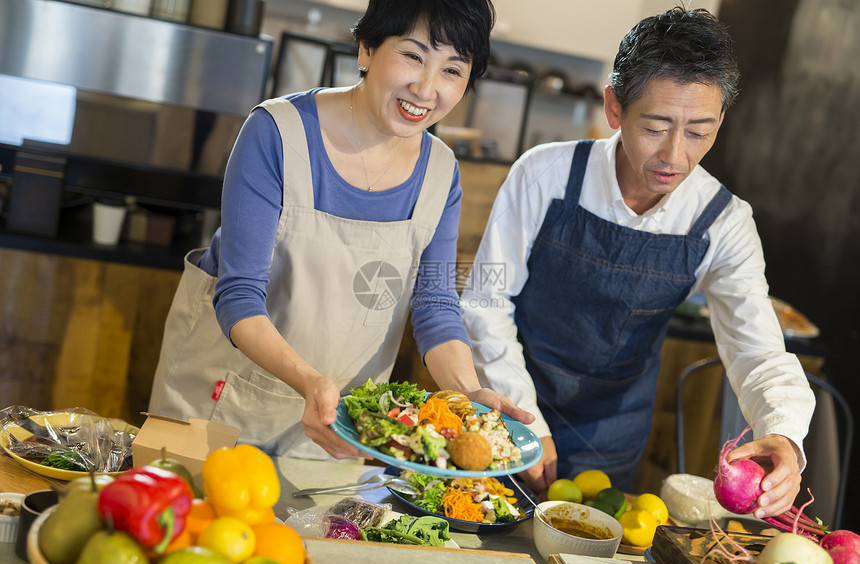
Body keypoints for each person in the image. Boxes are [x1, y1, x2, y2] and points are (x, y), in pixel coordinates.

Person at [460, 7, 815, 519]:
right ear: (614, 108)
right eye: (655, 126)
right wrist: (525, 418)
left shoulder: (725, 221)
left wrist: (782, 433)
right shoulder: (545, 174)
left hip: (612, 435)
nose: (674, 155)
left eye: (698, 132)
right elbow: (486, 300)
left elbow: (757, 349)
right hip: (506, 407)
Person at [148, 0, 532, 460]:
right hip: (219, 401)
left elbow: (434, 304)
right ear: (366, 49)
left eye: (453, 70)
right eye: (412, 56)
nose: (427, 89)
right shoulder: (276, 133)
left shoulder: (441, 173)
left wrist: (469, 391)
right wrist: (309, 382)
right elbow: (239, 295)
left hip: (340, 426)